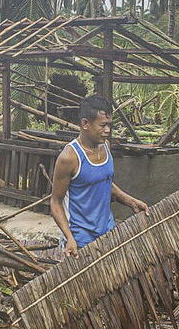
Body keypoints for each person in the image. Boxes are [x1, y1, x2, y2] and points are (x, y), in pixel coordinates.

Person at [50, 94, 149, 258]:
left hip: (107, 231)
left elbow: (104, 182)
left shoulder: (106, 147)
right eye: (103, 125)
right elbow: (55, 202)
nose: (108, 131)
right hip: (80, 238)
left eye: (109, 125)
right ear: (85, 124)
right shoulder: (69, 157)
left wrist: (130, 201)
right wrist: (69, 237)